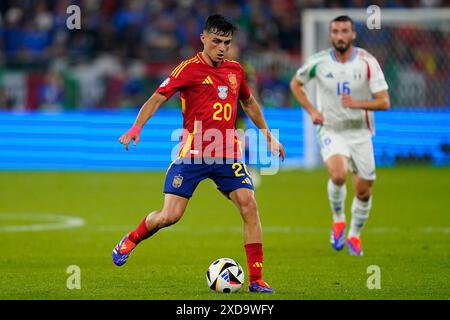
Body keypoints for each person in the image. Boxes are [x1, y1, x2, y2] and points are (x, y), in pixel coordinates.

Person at [112, 14, 285, 293]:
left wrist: (268, 135)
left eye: (226, 43)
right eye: (216, 41)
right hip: (193, 155)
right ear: (203, 39)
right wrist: (136, 127)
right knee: (170, 216)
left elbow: (249, 102)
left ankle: (256, 280)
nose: (221, 48)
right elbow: (157, 97)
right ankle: (131, 239)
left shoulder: (235, 71)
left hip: (228, 155)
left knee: (249, 206)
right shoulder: (188, 69)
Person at [290, 15, 390, 256]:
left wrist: (356, 103)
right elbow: (296, 83)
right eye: (335, 31)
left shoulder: (367, 62)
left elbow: (384, 102)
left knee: (364, 190)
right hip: (331, 129)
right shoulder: (319, 62)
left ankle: (354, 235)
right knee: (337, 174)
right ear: (330, 35)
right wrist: (312, 110)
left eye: (345, 31)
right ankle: (338, 219)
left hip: (360, 132)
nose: (340, 36)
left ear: (353, 35)